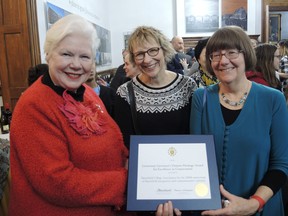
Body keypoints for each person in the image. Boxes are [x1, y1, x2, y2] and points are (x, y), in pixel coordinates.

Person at [8, 14, 129, 216]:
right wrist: (127, 181)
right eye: (66, 54)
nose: (76, 64)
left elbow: (115, 145)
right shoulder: (33, 105)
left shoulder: (88, 93)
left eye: (84, 57)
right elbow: (56, 182)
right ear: (48, 54)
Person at [189, 26, 288, 216]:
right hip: (212, 209)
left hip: (261, 208)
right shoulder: (201, 98)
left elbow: (281, 164)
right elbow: (196, 159)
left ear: (246, 55)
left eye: (232, 53)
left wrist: (254, 203)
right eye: (215, 55)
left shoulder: (273, 99)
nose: (223, 61)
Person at [114, 26, 197, 149]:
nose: (147, 60)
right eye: (139, 54)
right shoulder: (125, 93)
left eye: (153, 50)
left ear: (164, 50)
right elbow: (126, 144)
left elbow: (196, 135)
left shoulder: (187, 86)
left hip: (184, 164)